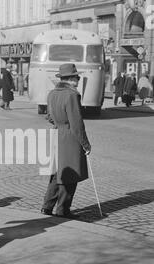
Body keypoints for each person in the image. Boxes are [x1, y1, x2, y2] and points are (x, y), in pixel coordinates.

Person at [41, 63, 91, 218]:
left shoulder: (52, 93)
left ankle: (47, 207)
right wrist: (86, 144)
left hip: (57, 135)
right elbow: (76, 123)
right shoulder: (72, 95)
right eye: (76, 76)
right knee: (70, 175)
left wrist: (58, 124)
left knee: (57, 173)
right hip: (70, 138)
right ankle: (63, 210)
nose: (78, 78)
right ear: (70, 79)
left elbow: (48, 116)